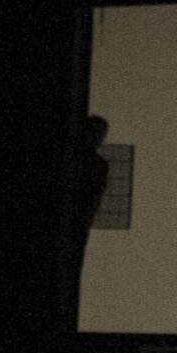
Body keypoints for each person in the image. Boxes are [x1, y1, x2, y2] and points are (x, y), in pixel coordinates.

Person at [63, 114, 112, 308]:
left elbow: (94, 197)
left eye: (100, 135)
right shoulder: (94, 164)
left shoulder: (97, 165)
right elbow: (94, 196)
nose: (99, 139)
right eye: (96, 133)